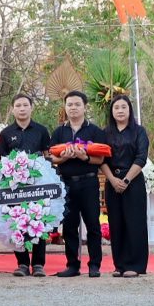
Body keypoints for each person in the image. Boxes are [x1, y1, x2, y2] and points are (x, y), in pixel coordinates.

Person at [50, 91, 108, 277]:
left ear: (84, 107)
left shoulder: (95, 131)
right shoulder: (59, 132)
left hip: (89, 181)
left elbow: (101, 159)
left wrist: (85, 157)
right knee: (69, 226)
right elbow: (52, 157)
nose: (73, 108)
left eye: (77, 104)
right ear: (65, 107)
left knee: (93, 225)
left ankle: (94, 265)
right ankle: (72, 265)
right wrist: (63, 158)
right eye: (70, 105)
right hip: (67, 184)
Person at [0, 94, 51, 277]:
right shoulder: (6, 133)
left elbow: (47, 156)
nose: (22, 108)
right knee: (16, 222)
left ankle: (38, 264)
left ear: (31, 107)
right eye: (18, 105)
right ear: (13, 109)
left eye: (25, 105)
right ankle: (22, 263)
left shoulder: (41, 131)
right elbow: (1, 160)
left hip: (38, 184)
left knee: (39, 221)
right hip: (15, 187)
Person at [100, 95, 150, 277]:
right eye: (116, 108)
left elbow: (141, 157)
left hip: (133, 181)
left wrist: (127, 180)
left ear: (130, 109)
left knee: (135, 222)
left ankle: (136, 265)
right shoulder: (105, 133)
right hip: (112, 181)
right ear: (111, 111)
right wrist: (112, 179)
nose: (120, 111)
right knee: (116, 222)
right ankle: (119, 264)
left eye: (123, 107)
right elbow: (101, 159)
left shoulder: (139, 131)